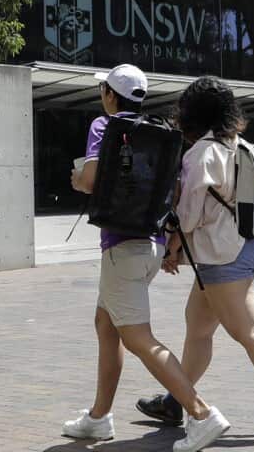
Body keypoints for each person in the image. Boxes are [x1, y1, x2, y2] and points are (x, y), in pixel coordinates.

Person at [137, 76, 254, 440]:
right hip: (244, 250)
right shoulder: (240, 145)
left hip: (222, 259)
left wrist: (171, 247)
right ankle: (176, 400)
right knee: (198, 327)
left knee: (250, 332)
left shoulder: (202, 153)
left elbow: (188, 216)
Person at [63, 64, 230, 452]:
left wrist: (77, 180)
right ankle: (98, 418)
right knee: (107, 325)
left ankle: (202, 414)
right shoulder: (161, 134)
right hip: (151, 244)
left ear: (109, 95)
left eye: (103, 89)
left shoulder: (104, 127)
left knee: (138, 337)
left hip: (121, 245)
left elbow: (88, 180)